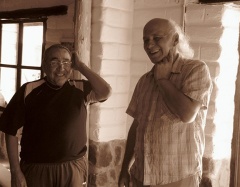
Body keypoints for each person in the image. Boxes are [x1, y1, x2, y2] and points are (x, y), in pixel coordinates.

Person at [118, 18, 213, 187]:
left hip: (178, 178)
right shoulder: (145, 80)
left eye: (157, 38)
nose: (149, 44)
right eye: (145, 40)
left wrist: (163, 80)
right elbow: (137, 126)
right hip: (141, 176)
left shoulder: (196, 70)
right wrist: (125, 167)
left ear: (175, 40)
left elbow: (187, 114)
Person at [0, 44, 112, 187]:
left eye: (66, 62)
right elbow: (11, 131)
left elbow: (106, 91)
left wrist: (81, 66)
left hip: (73, 169)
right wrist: (16, 172)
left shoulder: (80, 88)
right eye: (54, 62)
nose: (61, 68)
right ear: (45, 65)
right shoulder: (29, 90)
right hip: (37, 169)